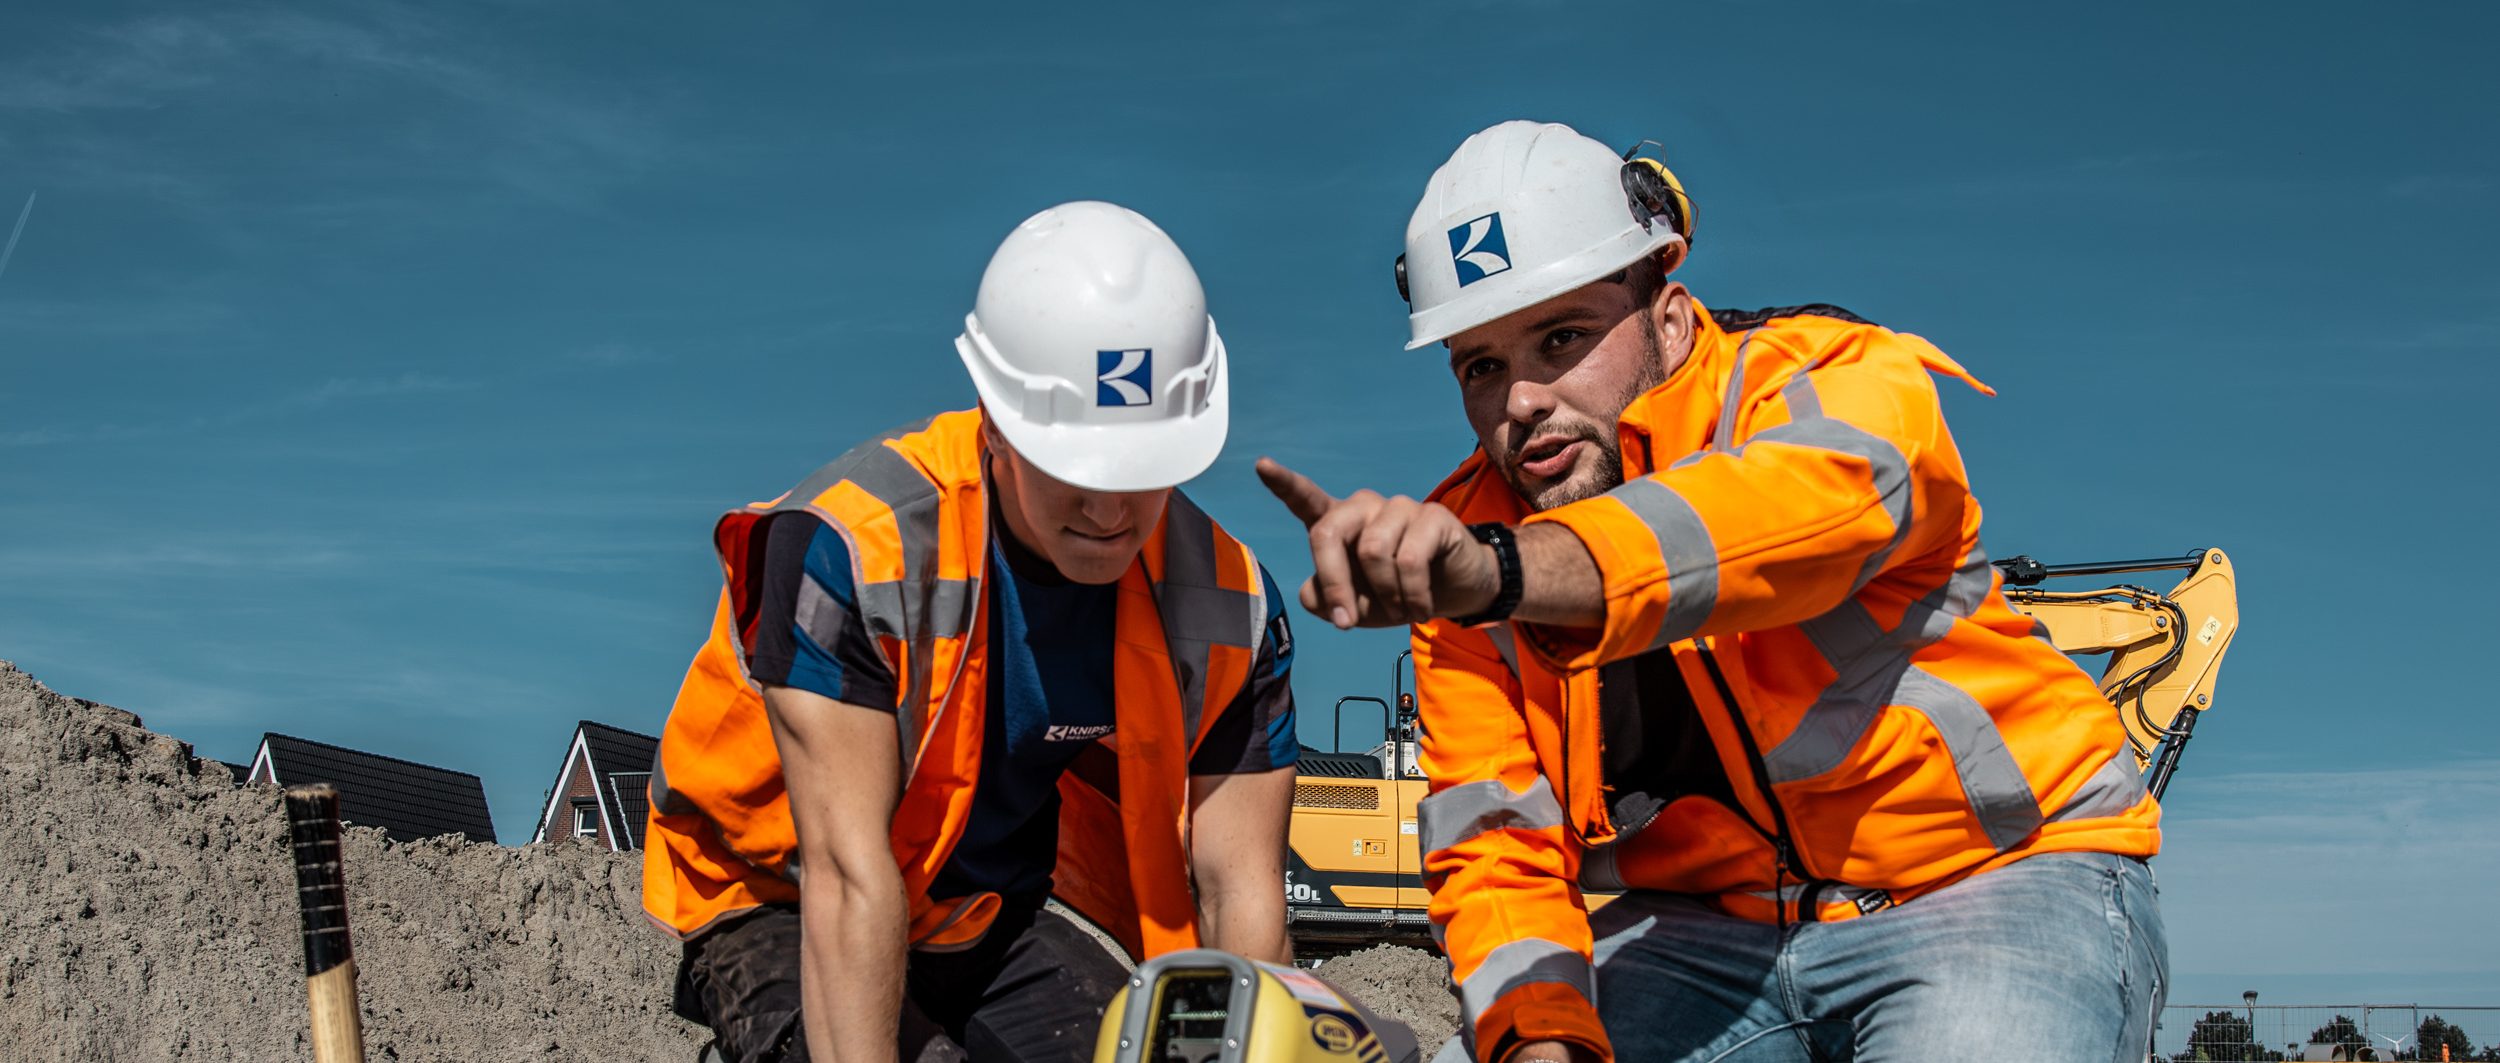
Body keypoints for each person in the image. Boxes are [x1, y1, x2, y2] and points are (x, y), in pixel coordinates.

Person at [1257, 120, 2167, 1063]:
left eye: (1561, 337)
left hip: (1998, 877)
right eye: (1481, 365)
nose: (1520, 401)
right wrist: (1539, 1036)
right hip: (1706, 932)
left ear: (1670, 313)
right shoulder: (1468, 550)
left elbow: (1779, 518)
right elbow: (1497, 846)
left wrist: (1511, 572)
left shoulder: (1831, 381)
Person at [646, 201, 1301, 1063]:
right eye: (1073, 467)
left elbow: (1242, 895)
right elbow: (845, 877)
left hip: (976, 908)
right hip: (778, 892)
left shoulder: (1229, 603)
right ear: (995, 423)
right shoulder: (856, 550)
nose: (1110, 510)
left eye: (1141, 468)